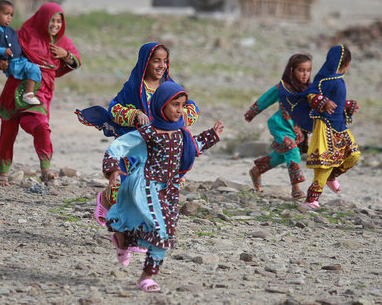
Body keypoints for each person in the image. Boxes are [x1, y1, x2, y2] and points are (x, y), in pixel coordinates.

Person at [102, 82, 224, 292]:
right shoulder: (147, 133)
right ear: (160, 105)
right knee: (135, 225)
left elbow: (192, 148)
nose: (179, 110)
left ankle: (147, 277)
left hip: (168, 192)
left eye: (182, 105)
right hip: (142, 187)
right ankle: (121, 242)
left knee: (164, 231)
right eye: (174, 104)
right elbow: (119, 146)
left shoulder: (180, 133)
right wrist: (112, 169)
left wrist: (210, 136)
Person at [75, 43, 199, 225]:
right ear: (145, 62)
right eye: (156, 61)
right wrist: (135, 115)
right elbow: (115, 108)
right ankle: (105, 201)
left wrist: (179, 117)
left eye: (165, 61)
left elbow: (191, 109)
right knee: (125, 189)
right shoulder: (133, 88)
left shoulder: (170, 86)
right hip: (137, 146)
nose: (161, 66)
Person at [0, 2, 80, 186]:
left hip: (41, 91)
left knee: (41, 125)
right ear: (42, 20)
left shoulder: (62, 42)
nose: (55, 25)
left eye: (58, 21)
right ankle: (2, 172)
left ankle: (45, 169)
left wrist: (66, 55)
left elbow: (75, 61)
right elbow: (0, 55)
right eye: (51, 20)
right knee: (8, 131)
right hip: (15, 88)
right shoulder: (23, 35)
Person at [289, 45, 360, 209]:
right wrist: (323, 102)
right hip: (325, 126)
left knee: (353, 154)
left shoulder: (337, 81)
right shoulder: (325, 80)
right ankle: (311, 200)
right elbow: (311, 95)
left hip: (340, 127)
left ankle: (332, 176)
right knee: (324, 164)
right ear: (346, 64)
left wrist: (347, 106)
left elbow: (336, 103)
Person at [244, 53, 312, 198]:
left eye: (308, 70)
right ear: (292, 70)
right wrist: (252, 112)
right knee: (292, 149)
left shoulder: (310, 90)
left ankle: (256, 170)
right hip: (281, 126)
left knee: (280, 156)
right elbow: (266, 99)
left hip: (297, 129)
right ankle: (296, 187)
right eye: (301, 70)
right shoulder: (282, 88)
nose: (305, 74)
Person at [0, 0, 42, 105]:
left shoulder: (11, 31)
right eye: (6, 14)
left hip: (20, 60)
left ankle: (26, 93)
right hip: (12, 63)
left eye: (11, 15)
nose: (9, 17)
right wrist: (1, 51)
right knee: (33, 69)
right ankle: (29, 94)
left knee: (33, 69)